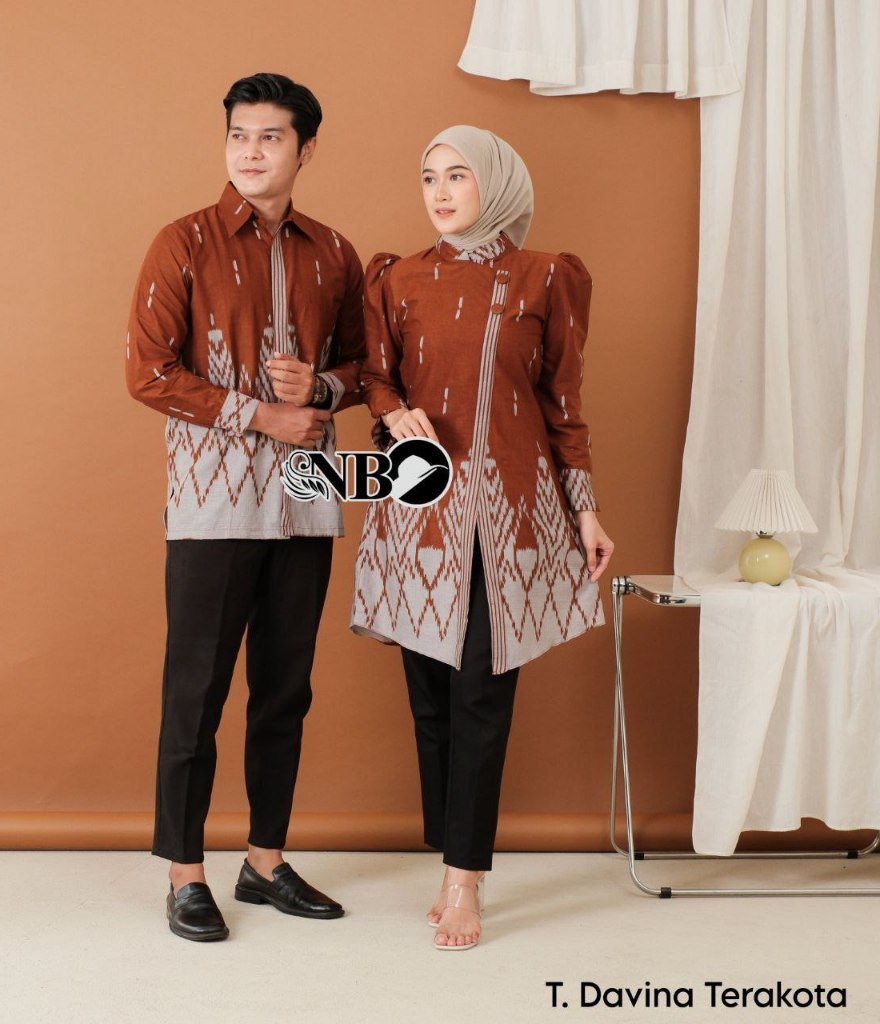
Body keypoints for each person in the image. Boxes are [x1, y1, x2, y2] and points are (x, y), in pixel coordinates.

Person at [350, 125, 613, 950]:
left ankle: (464, 879)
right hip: (418, 512)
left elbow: (562, 401)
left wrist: (585, 507)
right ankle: (452, 846)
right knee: (429, 696)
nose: (439, 191)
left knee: (480, 691)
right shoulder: (396, 278)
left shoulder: (547, 276)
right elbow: (376, 374)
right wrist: (394, 412)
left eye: (457, 176)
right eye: (428, 176)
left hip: (510, 515)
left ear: (494, 184)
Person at [126, 73, 364, 942]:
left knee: (285, 691)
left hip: (306, 499)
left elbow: (366, 366)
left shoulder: (333, 252)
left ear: (306, 148)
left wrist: (324, 388)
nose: (251, 151)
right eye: (239, 135)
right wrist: (263, 414)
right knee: (195, 692)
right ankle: (185, 874)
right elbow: (148, 372)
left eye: (270, 136)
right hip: (213, 504)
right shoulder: (182, 242)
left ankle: (265, 862)